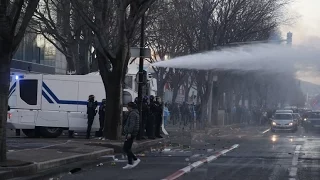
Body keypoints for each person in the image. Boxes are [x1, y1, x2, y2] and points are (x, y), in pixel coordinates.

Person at [122, 102, 141, 169]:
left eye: (127, 106)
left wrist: (129, 133)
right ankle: (130, 163)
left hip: (131, 133)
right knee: (128, 148)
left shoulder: (133, 114)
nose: (127, 108)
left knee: (125, 147)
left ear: (131, 107)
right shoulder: (134, 113)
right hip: (132, 132)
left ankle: (135, 159)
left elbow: (132, 124)